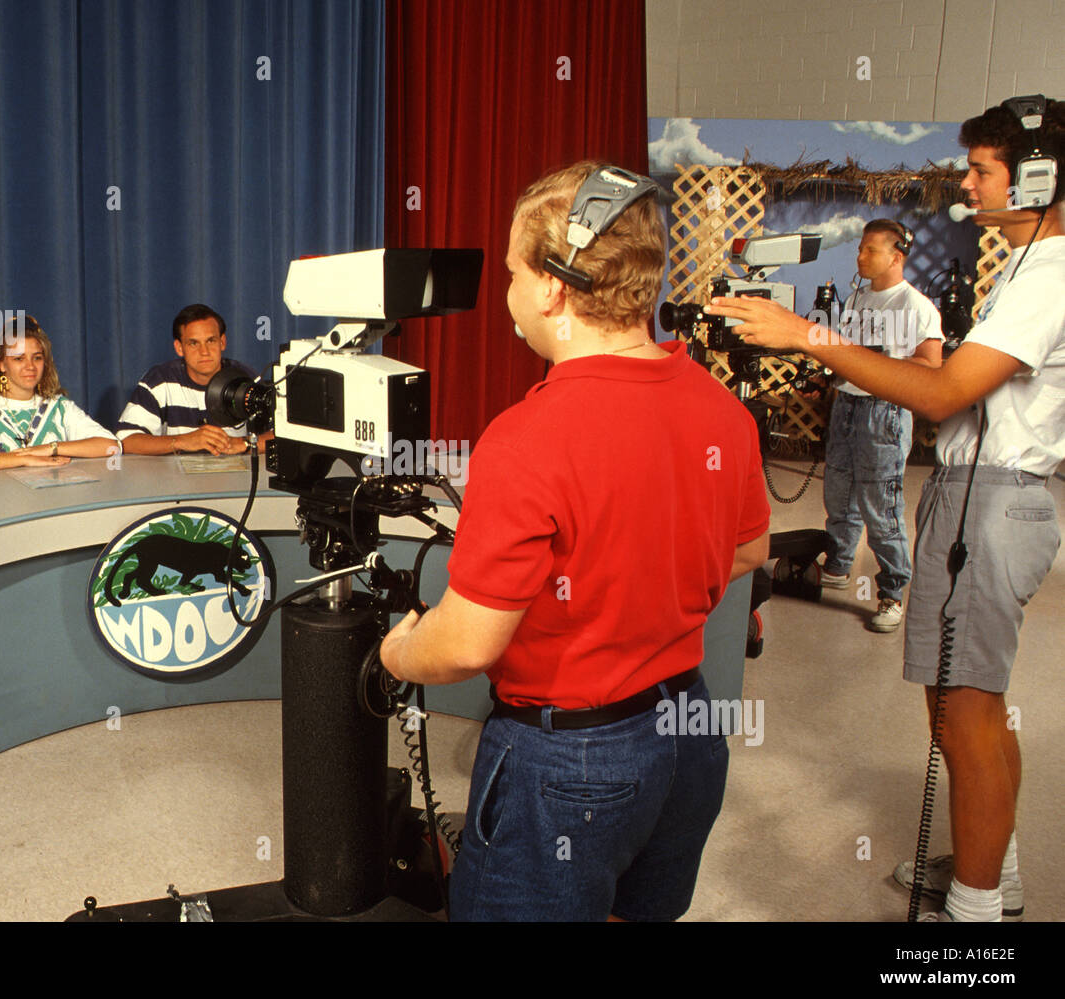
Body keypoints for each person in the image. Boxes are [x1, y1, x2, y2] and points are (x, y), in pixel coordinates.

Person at [379, 161, 771, 922]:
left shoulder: (527, 437)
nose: (507, 294)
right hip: (688, 733)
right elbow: (748, 550)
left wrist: (400, 652)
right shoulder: (721, 407)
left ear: (554, 288)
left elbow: (466, 646)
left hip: (571, 765)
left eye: (514, 272)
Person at [708, 97, 1064, 922]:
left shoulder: (1047, 276)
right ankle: (992, 871)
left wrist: (807, 337)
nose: (967, 185)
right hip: (980, 497)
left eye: (982, 170)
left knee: (965, 712)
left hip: (995, 504)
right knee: (970, 703)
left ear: (1038, 178)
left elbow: (942, 393)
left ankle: (974, 920)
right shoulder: (1023, 268)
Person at [820, 219, 943, 632]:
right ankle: (837, 566)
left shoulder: (917, 307)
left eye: (870, 250)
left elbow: (931, 367)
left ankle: (891, 593)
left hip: (884, 413)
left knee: (881, 509)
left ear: (896, 254)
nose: (860, 257)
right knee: (839, 495)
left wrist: (878, 363)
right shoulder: (855, 301)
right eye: (859, 249)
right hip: (847, 408)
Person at [0, 315, 120, 470]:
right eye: (19, 358)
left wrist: (51, 447)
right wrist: (24, 459)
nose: (30, 366)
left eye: (37, 357)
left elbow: (111, 446)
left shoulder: (59, 406)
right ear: (1, 364)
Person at [116, 303, 259, 455]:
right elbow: (126, 440)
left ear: (222, 342)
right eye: (193, 343)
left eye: (211, 341)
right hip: (175, 477)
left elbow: (282, 435)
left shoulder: (247, 379)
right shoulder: (159, 381)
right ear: (179, 348)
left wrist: (244, 443)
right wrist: (183, 441)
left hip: (236, 476)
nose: (204, 352)